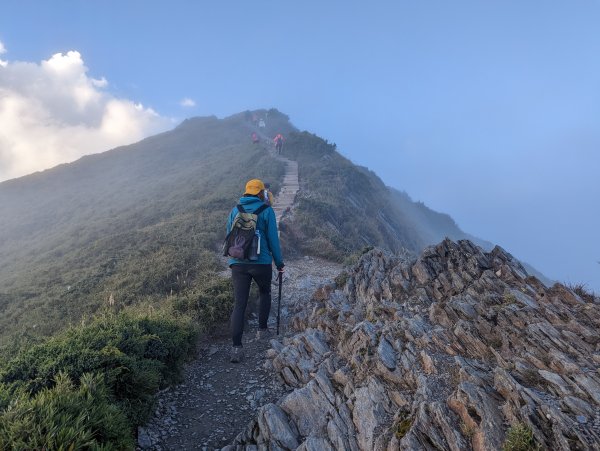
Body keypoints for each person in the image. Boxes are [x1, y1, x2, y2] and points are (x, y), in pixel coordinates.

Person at [226, 179, 284, 363]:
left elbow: (229, 234)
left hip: (238, 262)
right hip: (261, 263)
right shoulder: (266, 211)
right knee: (265, 293)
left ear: (246, 192)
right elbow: (273, 239)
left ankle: (236, 349)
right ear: (261, 193)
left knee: (239, 304)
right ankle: (262, 331)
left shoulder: (235, 210)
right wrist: (279, 262)